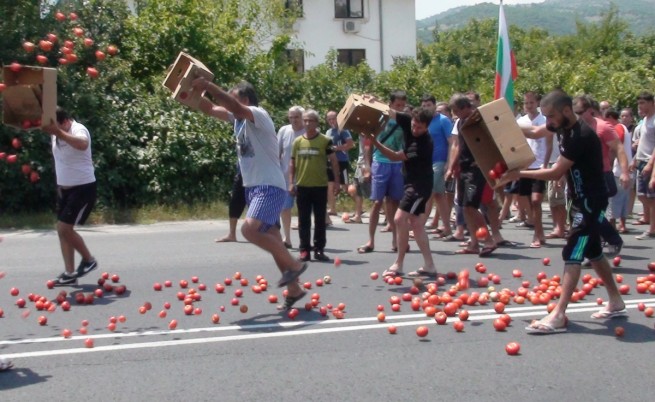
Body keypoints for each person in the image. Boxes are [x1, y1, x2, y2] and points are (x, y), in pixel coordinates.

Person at [501, 90, 625, 334]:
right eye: (545, 116)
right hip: (579, 199)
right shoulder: (561, 127)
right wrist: (504, 129)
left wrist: (519, 173)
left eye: (551, 116)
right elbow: (536, 132)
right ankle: (616, 300)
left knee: (573, 251)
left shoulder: (581, 135)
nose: (548, 121)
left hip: (590, 201)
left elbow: (555, 172)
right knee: (594, 250)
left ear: (567, 111)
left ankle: (558, 314)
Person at [192, 78, 307, 310]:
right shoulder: (238, 120)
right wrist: (186, 92)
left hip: (269, 185)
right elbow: (209, 108)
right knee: (272, 236)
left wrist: (209, 86)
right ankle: (294, 289)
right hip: (253, 187)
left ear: (244, 100)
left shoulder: (257, 114)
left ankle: (294, 266)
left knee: (249, 229)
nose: (227, 103)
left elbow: (231, 106)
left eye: (232, 98)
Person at [364, 106, 437, 278]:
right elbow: (388, 111)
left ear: (427, 127)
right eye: (414, 125)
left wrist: (374, 142)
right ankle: (429, 265)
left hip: (420, 186)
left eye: (420, 127)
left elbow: (395, 156)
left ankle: (399, 263)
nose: (415, 129)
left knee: (399, 219)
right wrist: (373, 103)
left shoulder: (424, 143)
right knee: (417, 224)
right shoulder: (407, 121)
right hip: (410, 182)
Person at [42, 108, 98, 286]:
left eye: (57, 127)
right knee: (62, 231)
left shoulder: (78, 129)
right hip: (65, 190)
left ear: (65, 122)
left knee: (64, 228)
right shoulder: (57, 132)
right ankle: (69, 273)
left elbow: (82, 144)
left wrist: (58, 132)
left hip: (82, 189)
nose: (54, 131)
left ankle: (89, 260)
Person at [573, 95, 630, 255]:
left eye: (580, 111)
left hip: (602, 176)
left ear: (590, 111)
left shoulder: (603, 127)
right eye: (574, 112)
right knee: (590, 214)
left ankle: (604, 243)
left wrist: (625, 172)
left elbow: (619, 148)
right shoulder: (576, 127)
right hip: (583, 177)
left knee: (590, 214)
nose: (576, 115)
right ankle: (605, 243)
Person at [446, 94, 497, 257]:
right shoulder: (460, 122)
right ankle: (474, 243)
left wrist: (484, 160)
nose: (454, 114)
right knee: (464, 207)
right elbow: (458, 146)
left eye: (455, 110)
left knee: (471, 206)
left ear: (465, 107)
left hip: (476, 169)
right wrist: (452, 167)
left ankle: (488, 240)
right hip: (464, 168)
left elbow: (489, 142)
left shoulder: (478, 120)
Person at [357, 90, 407, 254]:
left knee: (395, 202)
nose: (400, 107)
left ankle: (396, 240)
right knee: (377, 202)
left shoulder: (404, 120)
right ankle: (370, 240)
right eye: (397, 105)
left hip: (397, 163)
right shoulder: (381, 118)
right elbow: (367, 143)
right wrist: (367, 166)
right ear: (391, 104)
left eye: (402, 105)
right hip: (380, 162)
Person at [289, 109, 340, 262]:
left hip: (320, 186)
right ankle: (304, 249)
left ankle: (319, 249)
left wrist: (337, 181)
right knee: (303, 220)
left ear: (317, 122)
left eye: (311, 120)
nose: (307, 123)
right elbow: (292, 163)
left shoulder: (325, 140)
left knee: (319, 220)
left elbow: (334, 161)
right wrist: (291, 182)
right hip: (302, 185)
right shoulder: (298, 142)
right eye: (305, 120)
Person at [516, 92, 550, 248]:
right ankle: (537, 227)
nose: (528, 105)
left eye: (531, 102)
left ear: (537, 103)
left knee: (536, 200)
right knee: (527, 200)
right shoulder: (520, 121)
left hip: (539, 165)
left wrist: (546, 164)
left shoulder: (544, 120)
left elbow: (549, 145)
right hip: (525, 166)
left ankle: (538, 233)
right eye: (526, 103)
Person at [420, 95, 454, 238]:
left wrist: (449, 162)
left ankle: (418, 226)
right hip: (426, 162)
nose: (426, 108)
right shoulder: (423, 121)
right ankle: (447, 228)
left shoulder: (443, 121)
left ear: (434, 105)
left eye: (428, 105)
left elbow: (452, 143)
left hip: (439, 161)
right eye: (424, 105)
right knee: (440, 196)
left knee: (428, 193)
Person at [278, 106, 306, 248]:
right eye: (291, 117)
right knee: (285, 208)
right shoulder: (284, 130)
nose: (294, 120)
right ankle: (287, 238)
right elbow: (278, 151)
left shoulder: (309, 132)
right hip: (285, 176)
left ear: (302, 117)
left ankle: (304, 239)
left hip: (304, 177)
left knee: (303, 209)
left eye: (296, 117)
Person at [603, 108, 633, 233]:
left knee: (613, 199)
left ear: (610, 118)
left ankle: (612, 227)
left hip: (619, 170)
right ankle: (622, 225)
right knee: (623, 199)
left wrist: (608, 162)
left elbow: (615, 147)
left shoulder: (618, 128)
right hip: (626, 169)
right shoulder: (624, 128)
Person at [630, 91, 655, 239]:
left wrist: (650, 165)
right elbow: (642, 143)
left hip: (649, 162)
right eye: (639, 103)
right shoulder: (645, 120)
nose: (641, 106)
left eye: (643, 103)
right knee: (642, 195)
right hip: (640, 160)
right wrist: (634, 160)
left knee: (651, 198)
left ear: (652, 103)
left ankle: (652, 230)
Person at [325, 110, 355, 216]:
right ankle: (332, 209)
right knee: (330, 186)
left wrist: (336, 148)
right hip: (330, 163)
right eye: (329, 119)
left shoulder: (343, 130)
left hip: (342, 162)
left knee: (346, 187)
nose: (332, 121)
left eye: (333, 118)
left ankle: (358, 206)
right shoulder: (328, 132)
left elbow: (351, 144)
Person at [215, 166, 246, 242]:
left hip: (258, 177)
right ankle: (232, 234)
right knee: (234, 203)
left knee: (263, 207)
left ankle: (272, 234)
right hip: (242, 174)